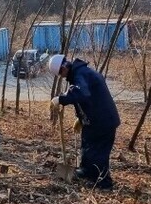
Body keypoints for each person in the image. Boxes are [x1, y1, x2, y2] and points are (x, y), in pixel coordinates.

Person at [49, 54, 120, 189]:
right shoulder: (80, 73)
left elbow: (82, 93)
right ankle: (87, 173)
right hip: (94, 120)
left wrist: (61, 99)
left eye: (61, 73)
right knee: (86, 146)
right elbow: (87, 99)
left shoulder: (80, 74)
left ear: (64, 67)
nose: (62, 76)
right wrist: (80, 117)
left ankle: (104, 184)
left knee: (98, 154)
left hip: (103, 121)